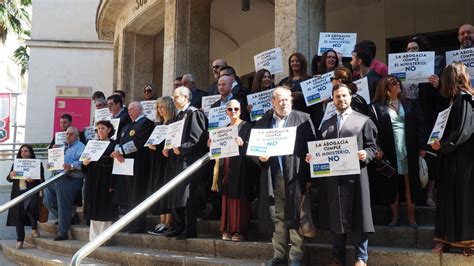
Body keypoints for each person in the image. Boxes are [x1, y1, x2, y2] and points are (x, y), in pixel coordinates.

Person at [310, 83, 378, 266]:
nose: (341, 99)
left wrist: (367, 154)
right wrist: (313, 157)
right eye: (337, 96)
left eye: (344, 96)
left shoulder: (364, 120)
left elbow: (373, 147)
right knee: (335, 215)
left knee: (359, 215)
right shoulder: (326, 124)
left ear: (351, 97)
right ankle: (337, 256)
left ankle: (361, 257)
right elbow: (320, 149)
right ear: (333, 99)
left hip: (356, 176)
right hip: (333, 179)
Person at [254, 86, 315, 266]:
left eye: (287, 99)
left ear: (291, 100)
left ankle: (295, 256)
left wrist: (310, 174)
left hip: (296, 176)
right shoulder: (264, 121)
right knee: (277, 216)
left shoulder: (303, 119)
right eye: (280, 100)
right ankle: (279, 254)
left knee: (295, 215)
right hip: (273, 177)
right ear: (272, 102)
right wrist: (260, 159)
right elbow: (254, 151)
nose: (284, 102)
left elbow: (313, 147)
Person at [370, 76, 426, 229]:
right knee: (392, 184)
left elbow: (420, 125)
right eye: (394, 83)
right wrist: (378, 148)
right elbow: (373, 131)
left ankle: (411, 217)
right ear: (386, 89)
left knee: (411, 183)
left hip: (410, 148)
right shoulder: (377, 108)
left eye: (398, 82)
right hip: (389, 150)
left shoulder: (410, 104)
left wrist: (422, 147)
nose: (398, 85)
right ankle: (395, 217)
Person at [430, 63, 474, 256]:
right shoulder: (453, 100)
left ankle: (468, 242)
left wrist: (444, 145)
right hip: (452, 157)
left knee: (463, 198)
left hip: (463, 159)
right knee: (448, 198)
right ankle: (446, 238)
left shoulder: (465, 99)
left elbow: (464, 130)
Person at [404, 35, 447, 206]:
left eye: (414, 49)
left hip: (429, 119)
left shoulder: (433, 71)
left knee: (430, 156)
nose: (410, 52)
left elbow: (443, 99)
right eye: (408, 49)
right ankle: (412, 195)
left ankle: (429, 194)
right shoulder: (400, 71)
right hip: (408, 119)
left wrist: (437, 86)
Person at [163, 86, 208, 240]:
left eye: (176, 97)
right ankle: (178, 226)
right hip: (176, 161)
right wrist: (168, 147)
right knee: (176, 194)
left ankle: (189, 229)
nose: (174, 100)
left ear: (185, 97)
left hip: (188, 162)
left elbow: (197, 139)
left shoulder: (195, 114)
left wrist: (181, 149)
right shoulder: (178, 116)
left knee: (187, 196)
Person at [211, 99, 257, 242]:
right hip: (226, 167)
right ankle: (226, 229)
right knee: (226, 198)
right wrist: (212, 145)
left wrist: (244, 144)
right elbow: (218, 150)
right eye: (230, 109)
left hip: (242, 168)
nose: (233, 112)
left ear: (241, 111)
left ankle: (239, 231)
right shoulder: (224, 128)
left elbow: (254, 147)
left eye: (236, 109)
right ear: (226, 112)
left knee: (239, 201)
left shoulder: (247, 127)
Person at [111, 101, 155, 233]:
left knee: (137, 195)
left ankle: (139, 224)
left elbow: (139, 142)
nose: (129, 111)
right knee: (127, 195)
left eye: (132, 109)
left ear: (140, 110)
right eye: (128, 109)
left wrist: (121, 151)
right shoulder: (127, 126)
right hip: (124, 165)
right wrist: (117, 150)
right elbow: (118, 141)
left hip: (139, 165)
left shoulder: (146, 123)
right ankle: (129, 223)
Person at [43, 126, 85, 241]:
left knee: (63, 205)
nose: (68, 136)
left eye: (71, 134)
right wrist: (51, 160)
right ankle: (68, 217)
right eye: (67, 134)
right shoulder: (61, 146)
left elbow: (83, 163)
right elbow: (55, 162)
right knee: (47, 200)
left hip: (71, 178)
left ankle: (63, 232)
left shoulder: (81, 147)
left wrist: (71, 166)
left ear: (77, 136)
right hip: (56, 176)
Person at [82, 120, 118, 241]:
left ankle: (104, 238)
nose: (100, 131)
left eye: (103, 128)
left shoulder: (114, 144)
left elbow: (117, 164)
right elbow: (84, 166)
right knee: (93, 208)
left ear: (109, 129)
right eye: (98, 129)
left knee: (105, 208)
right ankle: (93, 238)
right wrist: (86, 162)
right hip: (92, 180)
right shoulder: (92, 144)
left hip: (106, 180)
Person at [147, 96, 176, 236]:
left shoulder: (173, 123)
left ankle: (168, 222)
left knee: (167, 190)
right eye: (158, 107)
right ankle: (162, 221)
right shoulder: (159, 125)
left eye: (163, 107)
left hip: (168, 162)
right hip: (158, 162)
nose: (160, 110)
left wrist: (157, 147)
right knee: (159, 188)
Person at [6, 144, 44, 249]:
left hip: (31, 192)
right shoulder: (16, 164)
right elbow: (9, 179)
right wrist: (11, 175)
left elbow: (42, 180)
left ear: (30, 153)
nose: (23, 153)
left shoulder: (38, 164)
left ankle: (34, 227)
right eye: (22, 151)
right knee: (18, 216)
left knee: (32, 208)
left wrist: (33, 180)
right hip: (18, 193)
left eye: (26, 151)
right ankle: (20, 240)